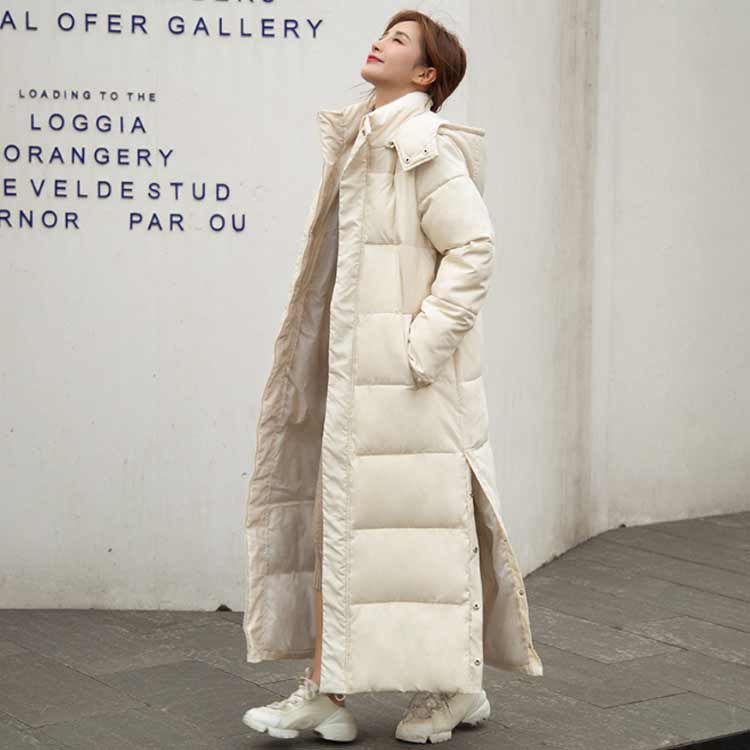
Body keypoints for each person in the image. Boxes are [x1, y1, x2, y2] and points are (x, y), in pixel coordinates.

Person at [241, 9, 543, 744]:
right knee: (342, 531)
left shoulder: (422, 146)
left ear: (427, 74)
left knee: (426, 540)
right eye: (384, 32)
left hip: (410, 386)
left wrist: (419, 349)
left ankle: (455, 688)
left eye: (400, 40)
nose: (380, 42)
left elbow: (474, 249)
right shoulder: (363, 139)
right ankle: (327, 690)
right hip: (356, 378)